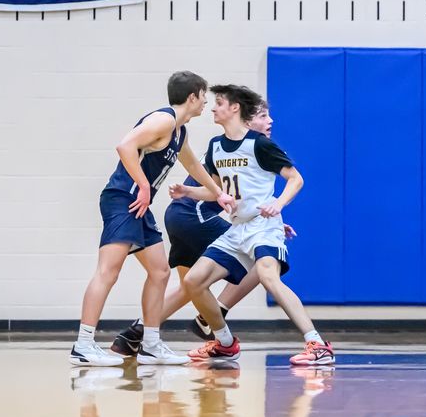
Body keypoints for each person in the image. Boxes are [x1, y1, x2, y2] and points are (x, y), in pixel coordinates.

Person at [71, 71, 235, 367]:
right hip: (124, 198)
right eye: (204, 97)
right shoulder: (164, 120)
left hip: (138, 205)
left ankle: (151, 345)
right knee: (109, 271)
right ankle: (83, 344)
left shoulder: (179, 130)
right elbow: (125, 147)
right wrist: (144, 186)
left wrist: (217, 193)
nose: (205, 104)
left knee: (160, 272)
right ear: (192, 96)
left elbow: (193, 165)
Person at [109, 98, 296, 357]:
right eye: (263, 116)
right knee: (260, 257)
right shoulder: (236, 147)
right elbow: (222, 193)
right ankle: (215, 314)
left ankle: (135, 333)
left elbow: (241, 197)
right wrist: (264, 226)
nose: (270, 121)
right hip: (192, 213)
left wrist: (269, 219)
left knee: (192, 287)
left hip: (180, 215)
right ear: (245, 119)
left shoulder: (243, 148)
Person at [179, 84, 334, 366]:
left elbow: (296, 179)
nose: (213, 108)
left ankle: (317, 344)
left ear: (235, 108)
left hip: (264, 225)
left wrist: (278, 204)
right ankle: (225, 343)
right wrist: (189, 192)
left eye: (220, 103)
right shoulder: (215, 146)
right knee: (193, 281)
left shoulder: (259, 144)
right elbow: (218, 191)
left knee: (268, 276)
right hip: (237, 229)